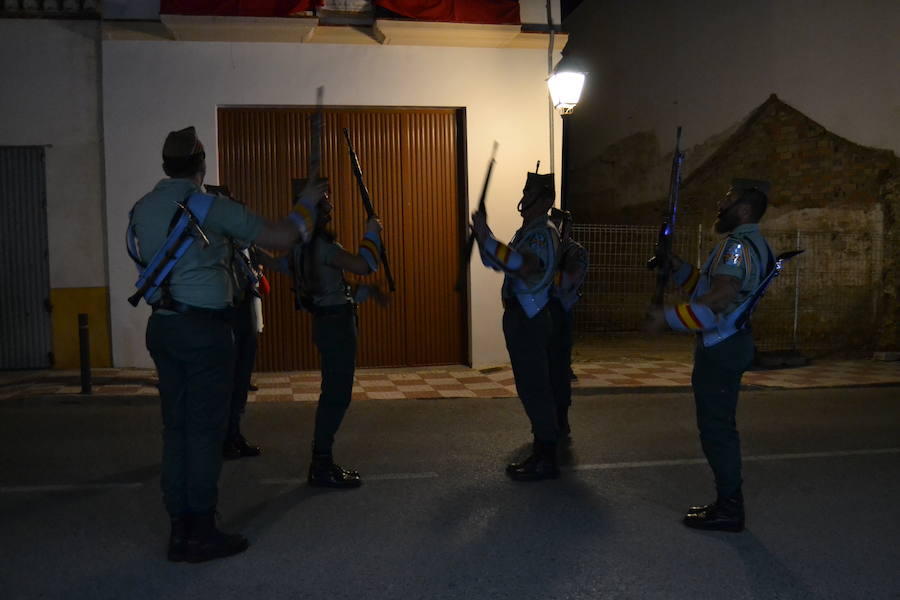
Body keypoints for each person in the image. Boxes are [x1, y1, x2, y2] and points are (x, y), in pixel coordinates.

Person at [128, 126, 325, 563]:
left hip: (162, 327)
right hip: (203, 332)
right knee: (203, 432)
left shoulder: (143, 208)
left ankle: (180, 528)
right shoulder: (207, 206)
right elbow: (278, 237)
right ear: (200, 166)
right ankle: (201, 530)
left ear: (165, 166)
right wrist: (305, 206)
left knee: (176, 429)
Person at [645, 178, 774, 532]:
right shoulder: (744, 245)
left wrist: (668, 318)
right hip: (728, 343)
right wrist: (677, 267)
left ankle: (730, 508)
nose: (722, 205)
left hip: (722, 345)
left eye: (728, 200)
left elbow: (719, 297)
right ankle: (727, 502)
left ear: (745, 209)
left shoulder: (737, 246)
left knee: (717, 429)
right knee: (718, 426)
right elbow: (706, 285)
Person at [283, 180, 387, 488]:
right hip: (337, 327)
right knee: (336, 396)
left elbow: (333, 286)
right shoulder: (325, 248)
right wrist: (373, 231)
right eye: (325, 203)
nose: (330, 208)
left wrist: (365, 294)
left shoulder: (301, 248)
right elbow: (365, 264)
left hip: (326, 323)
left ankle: (322, 460)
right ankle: (322, 463)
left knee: (333, 392)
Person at [472, 169, 560, 481]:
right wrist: (487, 236)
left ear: (546, 200)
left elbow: (522, 265)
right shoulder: (527, 232)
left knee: (535, 386)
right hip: (521, 315)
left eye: (530, 195)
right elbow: (497, 260)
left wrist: (485, 235)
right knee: (530, 385)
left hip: (530, 316)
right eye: (524, 193)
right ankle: (542, 449)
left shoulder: (540, 233)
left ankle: (546, 454)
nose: (523, 200)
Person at [548, 208, 589, 439]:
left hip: (560, 313)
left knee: (560, 370)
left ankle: (561, 419)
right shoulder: (548, 250)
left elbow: (568, 281)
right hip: (543, 314)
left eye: (558, 224)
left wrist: (547, 273)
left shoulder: (575, 252)